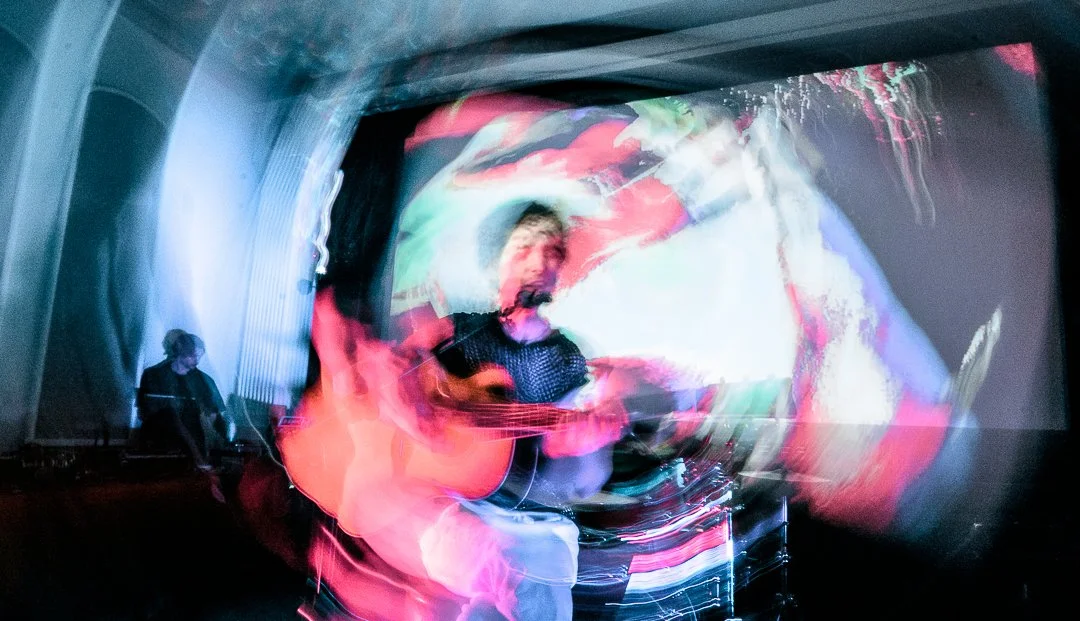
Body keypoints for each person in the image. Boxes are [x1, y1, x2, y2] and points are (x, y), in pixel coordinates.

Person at [379, 203, 626, 621]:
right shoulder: (456, 332)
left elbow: (586, 480)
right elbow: (388, 373)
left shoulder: (569, 361)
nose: (538, 263)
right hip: (455, 511)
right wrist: (407, 406)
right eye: (524, 248)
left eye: (552, 253)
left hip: (538, 527)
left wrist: (575, 451)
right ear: (499, 262)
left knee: (534, 581)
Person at [136, 331, 228, 470]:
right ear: (181, 351)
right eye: (193, 356)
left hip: (191, 448)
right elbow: (143, 413)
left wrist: (225, 438)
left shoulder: (204, 381)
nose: (197, 360)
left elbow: (214, 415)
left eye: (200, 356)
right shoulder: (153, 375)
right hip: (158, 444)